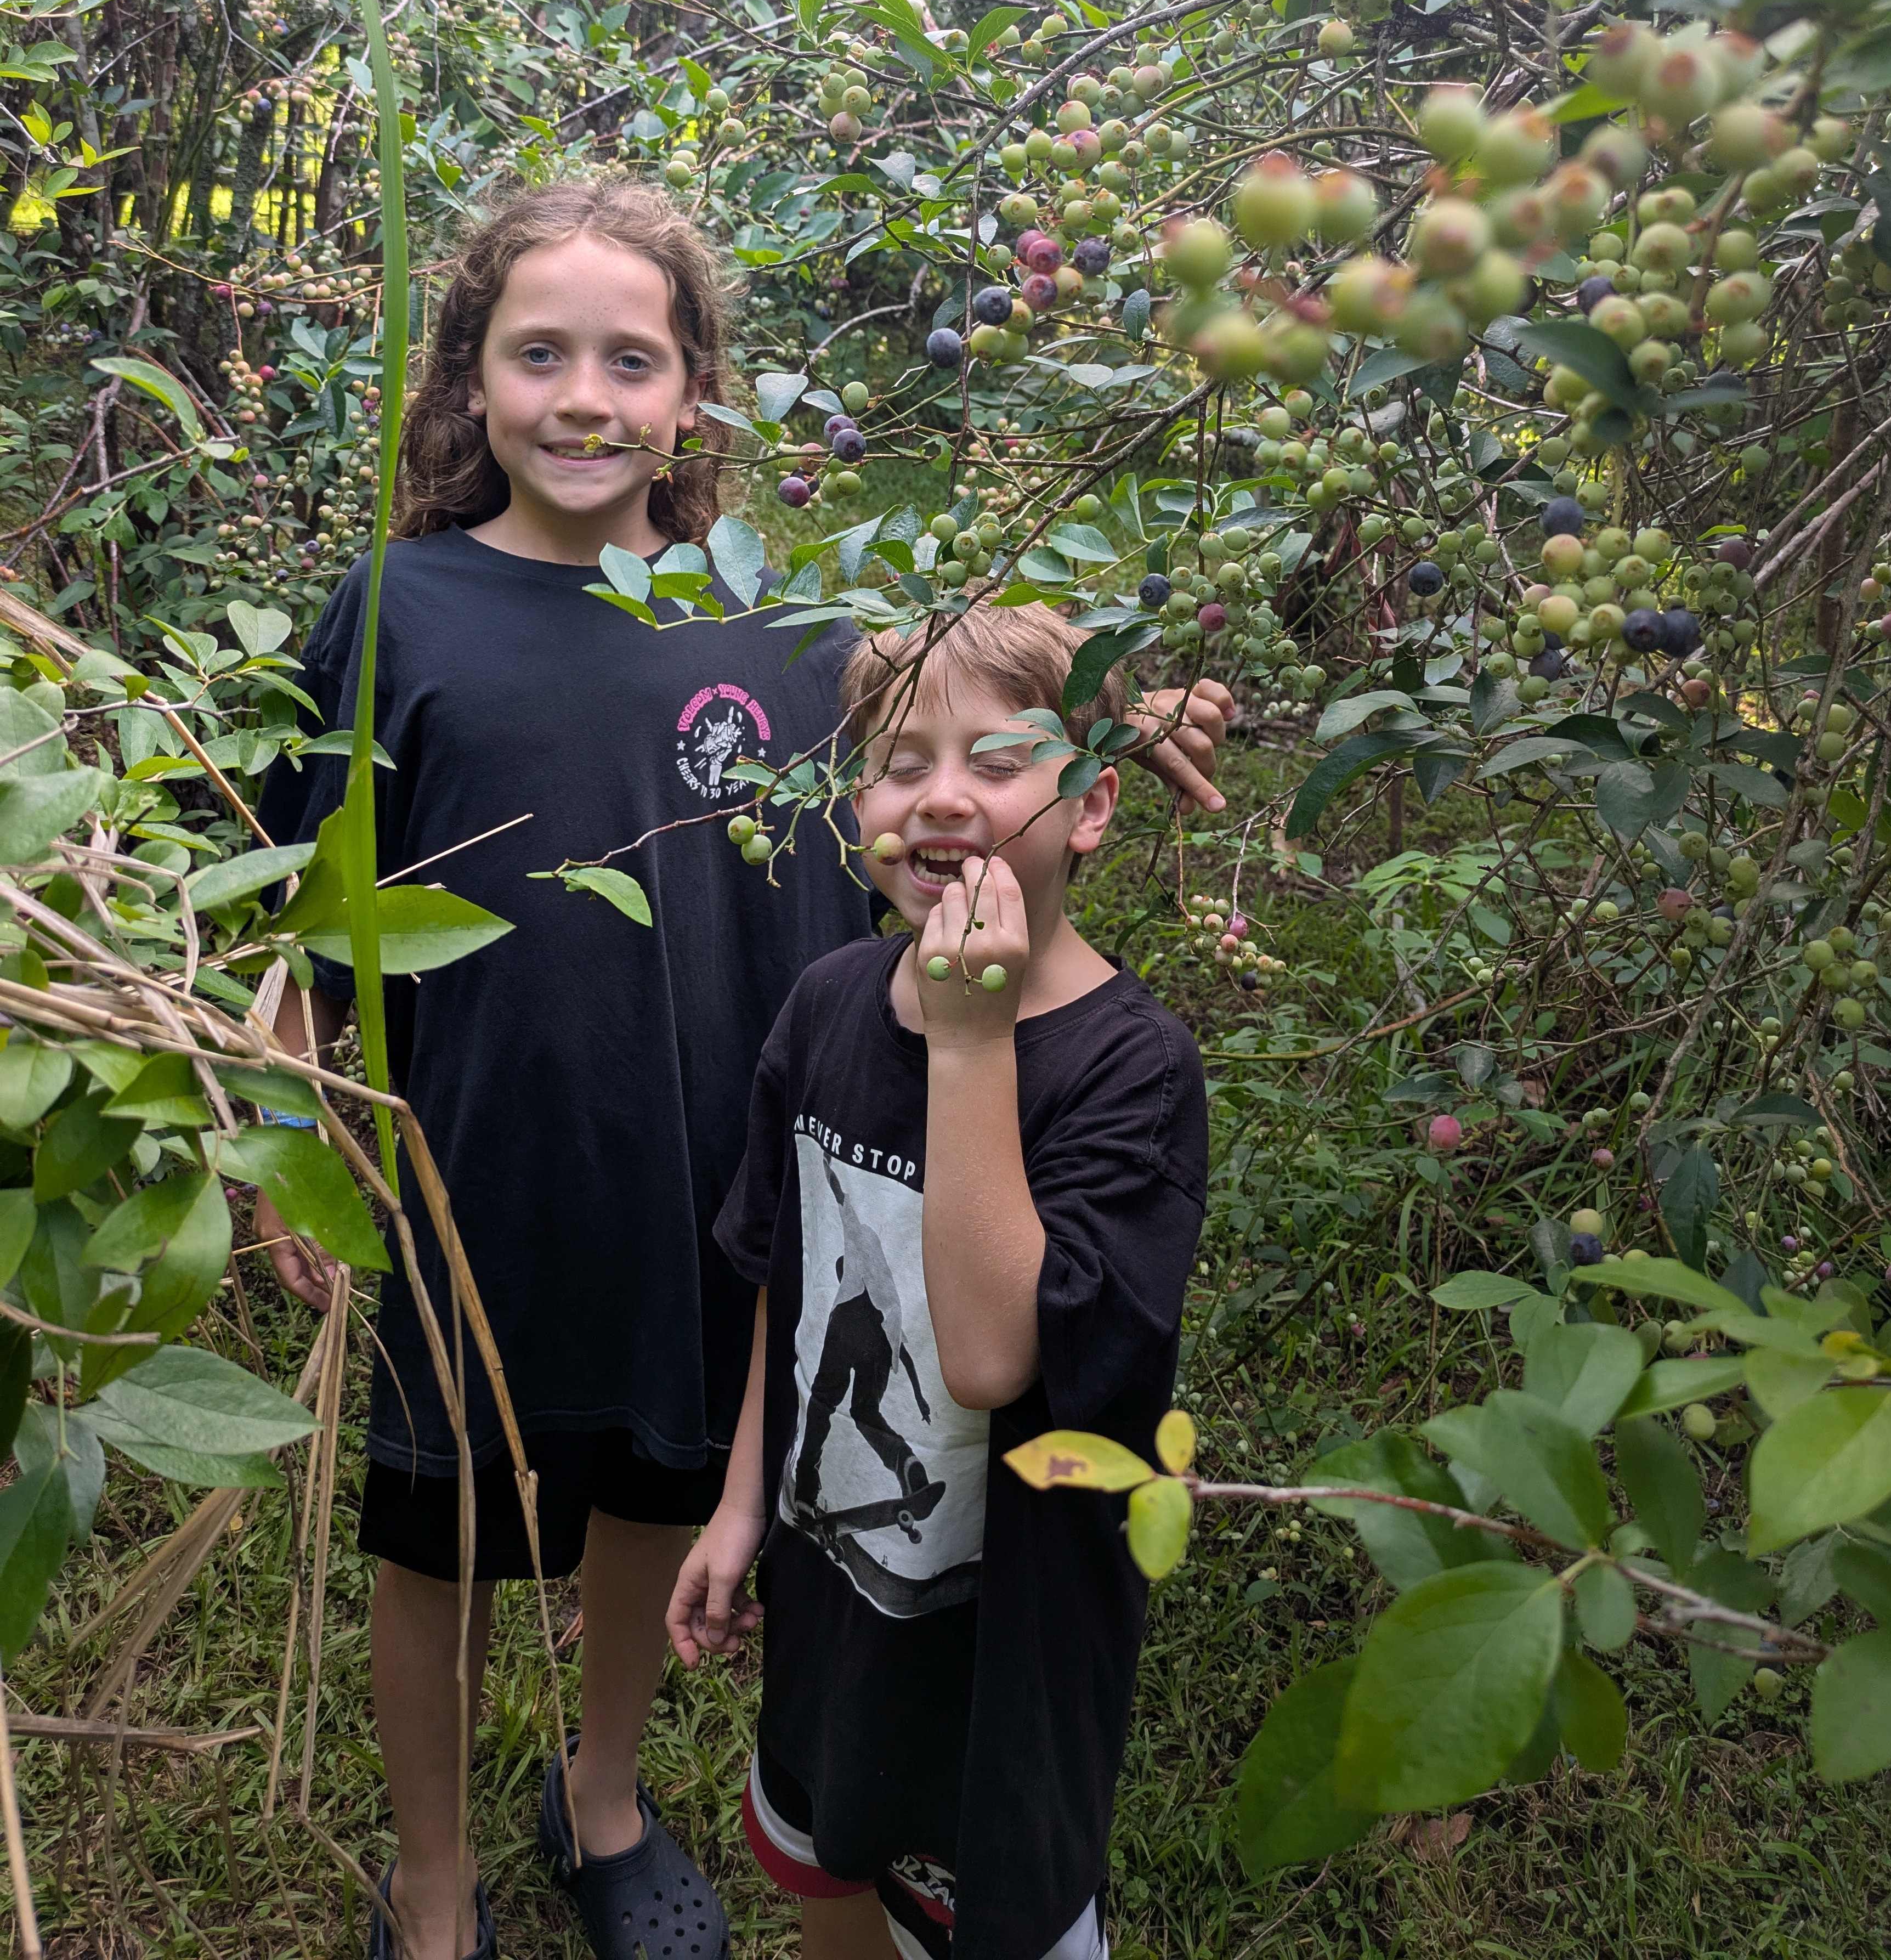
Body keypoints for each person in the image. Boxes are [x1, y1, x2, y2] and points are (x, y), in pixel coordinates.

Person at [252, 174, 1235, 1960]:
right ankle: (436, 1875)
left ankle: (605, 1797)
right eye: (535, 350)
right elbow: (305, 903)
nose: (582, 394)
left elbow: (968, 705)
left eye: (633, 356)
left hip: (707, 1191)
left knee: (645, 1494)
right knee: (439, 1538)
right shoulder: (396, 603)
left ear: (696, 393)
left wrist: (1116, 710)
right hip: (463, 1184)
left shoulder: (779, 625)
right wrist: (289, 1140)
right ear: (469, 378)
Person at [668, 604, 1209, 1960]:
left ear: (1088, 806)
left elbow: (988, 1358)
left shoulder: (1129, 1073)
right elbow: (781, 1280)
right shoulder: (827, 1003)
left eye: (998, 757)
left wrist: (971, 1041)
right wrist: (741, 1505)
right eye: (900, 760)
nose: (943, 795)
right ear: (857, 804)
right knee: (830, 1877)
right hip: (830, 1592)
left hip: (1004, 1663)